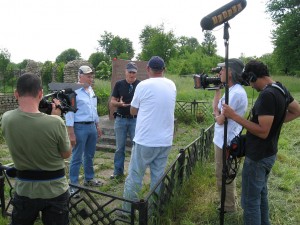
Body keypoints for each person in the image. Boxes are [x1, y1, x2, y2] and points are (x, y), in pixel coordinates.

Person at [222, 60, 300, 225]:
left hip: (257, 157)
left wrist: (234, 116)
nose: (251, 86)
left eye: (250, 81)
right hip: (269, 154)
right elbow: (296, 111)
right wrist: (276, 122)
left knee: (250, 202)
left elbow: (263, 132)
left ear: (252, 76)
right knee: (261, 196)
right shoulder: (280, 88)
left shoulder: (266, 95)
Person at [1, 73, 72, 225]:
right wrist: (56, 117)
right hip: (55, 189)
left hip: (24, 189)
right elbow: (66, 153)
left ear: (16, 94)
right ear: (40, 93)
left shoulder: (7, 118)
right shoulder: (55, 122)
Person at [122, 56, 177, 212]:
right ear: (163, 70)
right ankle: (155, 210)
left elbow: (133, 110)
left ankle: (127, 212)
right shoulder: (171, 85)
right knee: (157, 178)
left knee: (135, 176)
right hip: (165, 140)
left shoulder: (143, 85)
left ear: (147, 69)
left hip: (145, 140)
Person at [212, 58, 248, 213]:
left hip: (226, 139)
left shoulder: (236, 93)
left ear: (231, 73)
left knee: (225, 173)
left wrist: (217, 115)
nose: (219, 72)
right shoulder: (230, 90)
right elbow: (217, 110)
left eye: (222, 69)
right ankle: (226, 202)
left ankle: (228, 206)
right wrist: (217, 90)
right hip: (221, 138)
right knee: (221, 172)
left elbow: (220, 119)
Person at [65, 65, 102, 194]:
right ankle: (73, 185)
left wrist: (97, 126)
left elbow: (94, 109)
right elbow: (69, 113)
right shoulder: (72, 91)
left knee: (89, 155)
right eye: (88, 76)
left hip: (91, 126)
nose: (91, 78)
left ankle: (89, 178)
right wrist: (71, 132)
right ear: (80, 76)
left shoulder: (90, 90)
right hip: (79, 127)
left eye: (91, 76)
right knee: (77, 157)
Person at [110, 62, 140, 179]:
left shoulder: (140, 85)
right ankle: (118, 172)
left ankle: (135, 173)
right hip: (121, 119)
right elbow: (112, 101)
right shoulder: (119, 84)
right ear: (125, 72)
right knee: (119, 148)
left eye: (133, 72)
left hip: (135, 120)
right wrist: (119, 104)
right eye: (130, 72)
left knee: (136, 147)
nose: (131, 74)